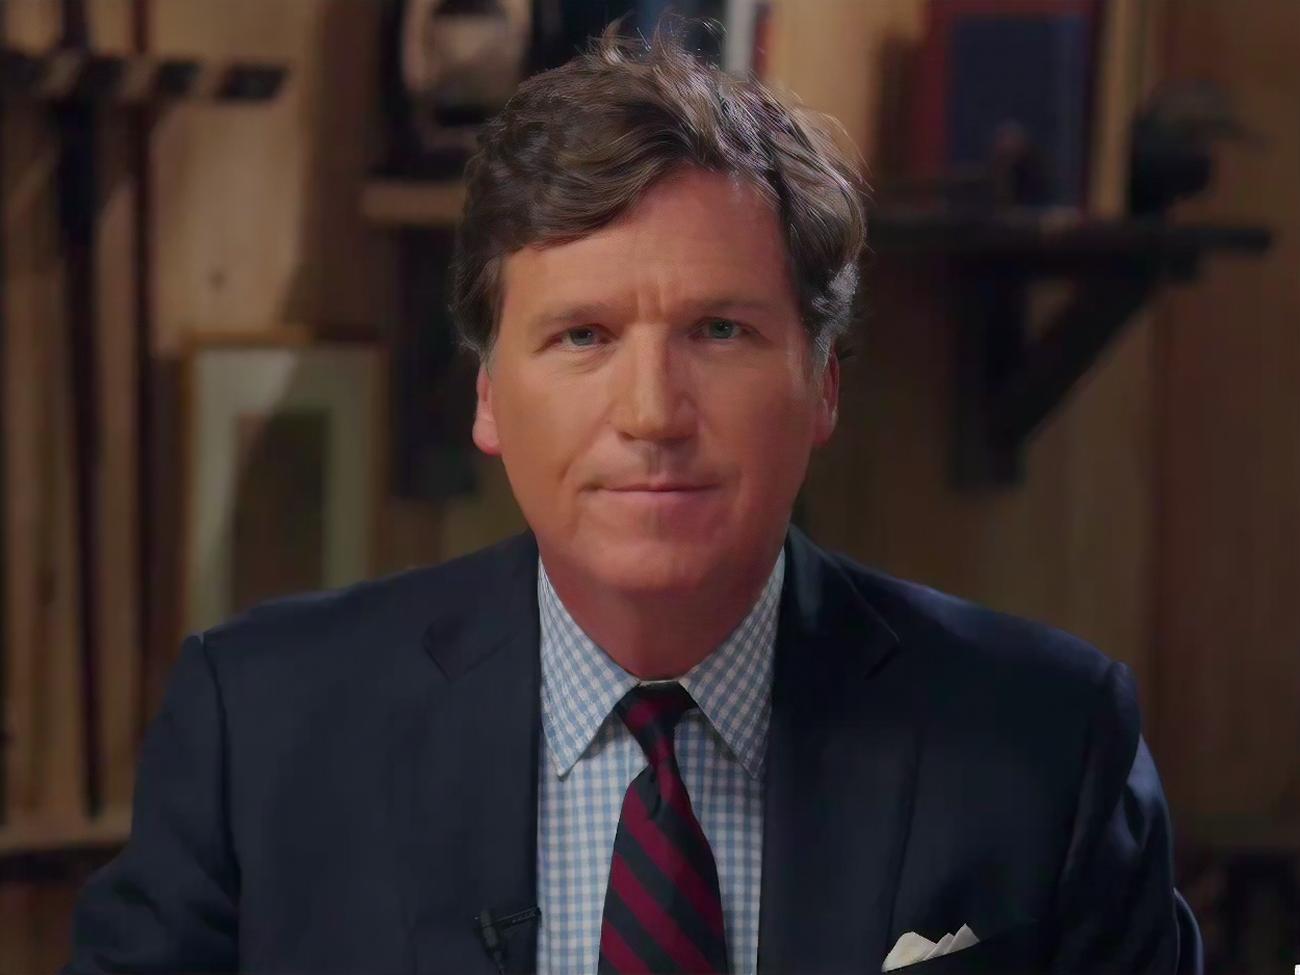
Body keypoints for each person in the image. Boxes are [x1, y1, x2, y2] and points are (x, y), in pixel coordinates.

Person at [65, 18, 1201, 975]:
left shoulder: (1046, 740)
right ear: (489, 398)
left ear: (822, 386)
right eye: (583, 336)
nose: (652, 412)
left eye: (720, 331)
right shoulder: (261, 732)